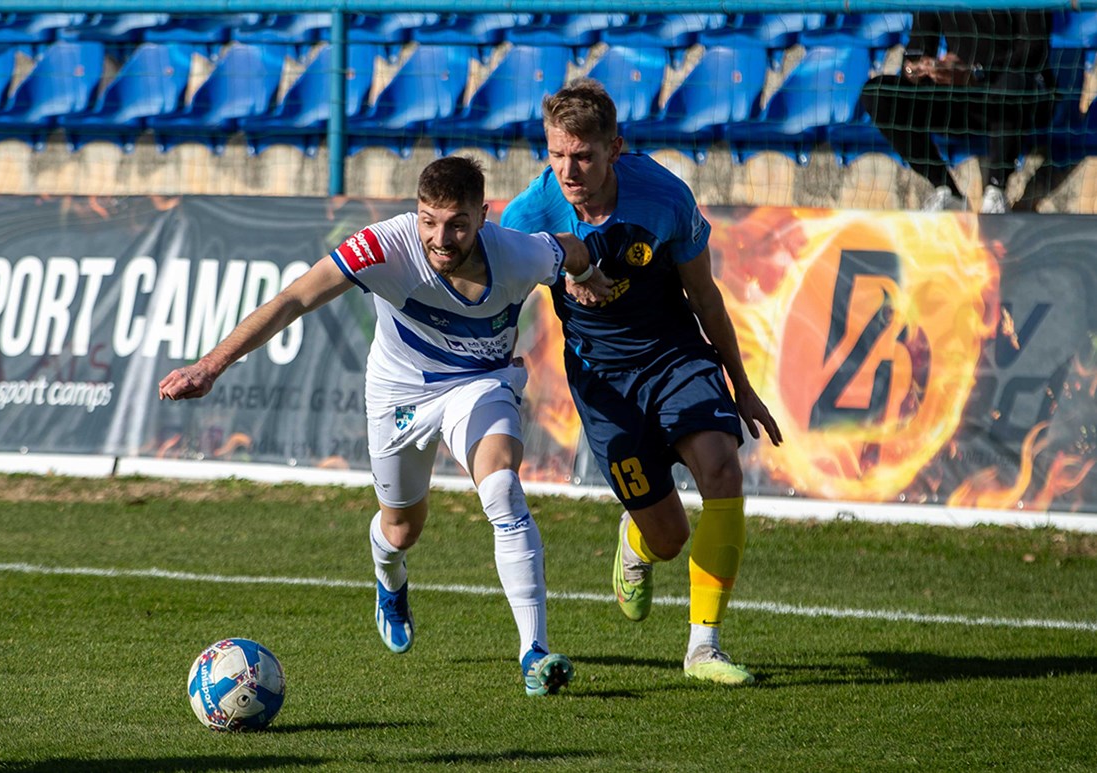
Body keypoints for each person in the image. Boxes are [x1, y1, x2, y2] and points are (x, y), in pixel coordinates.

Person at [158, 156, 612, 696]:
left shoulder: (518, 252)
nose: (440, 237)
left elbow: (572, 247)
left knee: (503, 490)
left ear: (483, 216)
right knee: (401, 529)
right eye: (428, 220)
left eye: (457, 224)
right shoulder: (383, 248)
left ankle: (533, 653)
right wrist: (210, 366)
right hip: (400, 393)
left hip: (480, 384)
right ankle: (389, 580)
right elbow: (294, 298)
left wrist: (586, 276)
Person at [501, 79, 783, 686]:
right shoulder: (527, 217)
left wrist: (742, 385)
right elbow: (496, 299)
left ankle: (703, 649)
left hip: (675, 355)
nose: (569, 170)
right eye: (556, 155)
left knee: (722, 468)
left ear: (615, 149)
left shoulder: (663, 196)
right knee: (669, 535)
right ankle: (636, 543)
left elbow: (703, 293)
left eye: (583, 155)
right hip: (604, 384)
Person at [860, 11, 1054, 214]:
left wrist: (975, 73)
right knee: (878, 94)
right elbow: (919, 46)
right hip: (961, 96)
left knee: (1011, 85)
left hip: (1020, 97)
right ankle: (947, 191)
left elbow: (1034, 49)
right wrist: (919, 69)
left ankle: (996, 191)